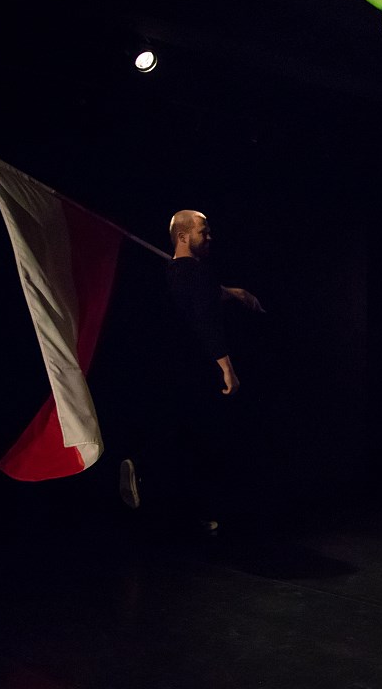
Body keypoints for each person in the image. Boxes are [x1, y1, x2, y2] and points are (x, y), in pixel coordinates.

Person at [118, 209, 262, 533]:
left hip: (167, 372)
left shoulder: (170, 273)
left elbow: (206, 293)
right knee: (200, 443)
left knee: (177, 438)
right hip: (195, 372)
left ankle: (145, 473)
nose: (210, 237)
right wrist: (227, 368)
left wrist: (235, 293)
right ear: (183, 236)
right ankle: (191, 507)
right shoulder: (199, 273)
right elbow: (207, 322)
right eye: (203, 232)